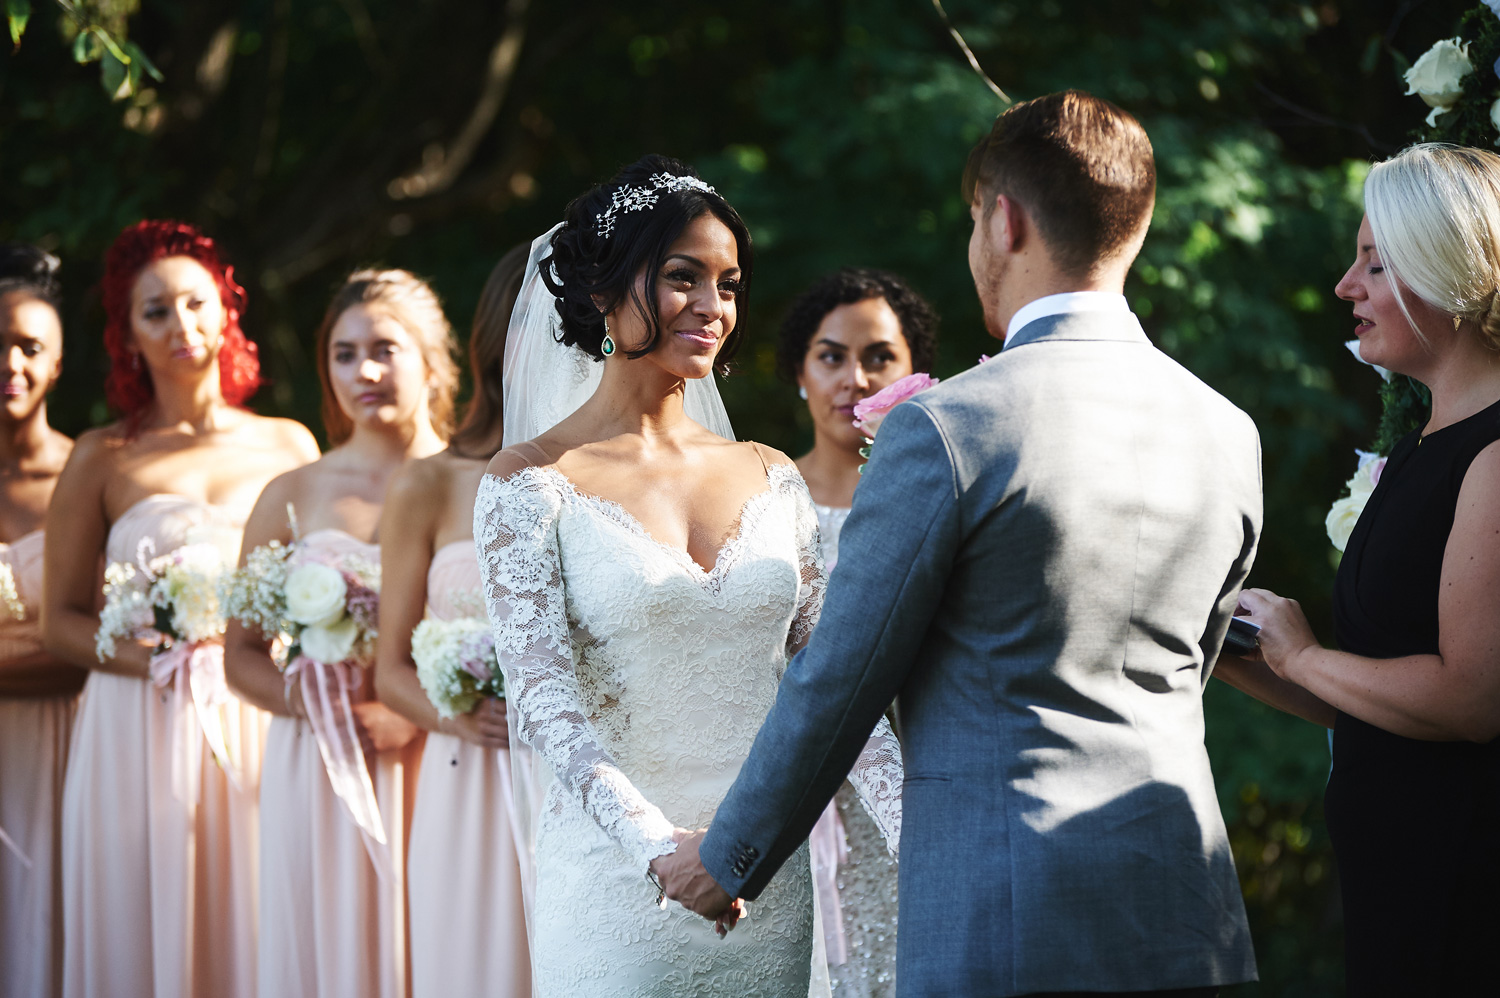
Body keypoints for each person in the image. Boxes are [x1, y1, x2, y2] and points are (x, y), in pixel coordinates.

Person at [657, 90, 1262, 997]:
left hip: (1005, 915)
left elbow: (843, 676)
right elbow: (1194, 663)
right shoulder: (1228, 429)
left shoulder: (951, 426)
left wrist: (731, 855)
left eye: (977, 218)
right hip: (1187, 907)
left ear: (1004, 221)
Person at [473, 154, 903, 997]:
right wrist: (659, 849)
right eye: (683, 278)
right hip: (618, 882)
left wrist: (922, 833)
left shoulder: (774, 474)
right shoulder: (527, 483)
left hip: (763, 877)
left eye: (730, 284)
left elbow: (832, 684)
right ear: (602, 288)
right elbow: (546, 705)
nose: (713, 308)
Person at [1225, 143, 1500, 995]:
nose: (1347, 286)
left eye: (1374, 264)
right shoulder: (1423, 447)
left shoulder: (1494, 456)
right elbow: (1375, 703)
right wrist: (1225, 642)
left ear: (1449, 274)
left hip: (1467, 892)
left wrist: (1304, 652)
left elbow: (1469, 701)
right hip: (1400, 891)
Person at [44, 220, 320, 998]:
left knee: (262, 906)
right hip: (137, 718)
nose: (181, 326)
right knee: (141, 921)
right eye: (154, 311)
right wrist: (162, 657)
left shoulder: (288, 445)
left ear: (227, 311)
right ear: (126, 334)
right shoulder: (102, 455)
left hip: (260, 713)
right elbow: (60, 619)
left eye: (195, 303)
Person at [224, 268, 454, 998]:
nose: (367, 371)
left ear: (432, 360)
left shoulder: (475, 481)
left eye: (386, 349)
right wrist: (322, 710)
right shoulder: (292, 492)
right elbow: (240, 657)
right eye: (345, 354)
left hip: (447, 757)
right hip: (320, 761)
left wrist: (411, 712)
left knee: (442, 936)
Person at [374, 245, 531, 998]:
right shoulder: (431, 483)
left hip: (581, 781)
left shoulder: (607, 476)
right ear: (497, 339)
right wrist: (458, 713)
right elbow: (389, 671)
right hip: (467, 774)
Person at [776, 266, 938, 996]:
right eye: (831, 355)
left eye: (879, 356)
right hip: (791, 789)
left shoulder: (940, 496)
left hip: (917, 777)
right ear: (800, 376)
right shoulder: (763, 497)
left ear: (913, 371)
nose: (854, 378)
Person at [0, 243, 83, 998]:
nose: (10, 364)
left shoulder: (85, 476)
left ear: (58, 361)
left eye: (28, 346)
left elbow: (91, 641)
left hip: (69, 741)